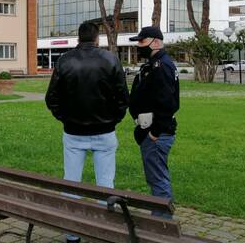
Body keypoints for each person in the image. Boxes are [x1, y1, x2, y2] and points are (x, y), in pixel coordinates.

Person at [45, 21, 129, 243]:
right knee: (105, 183)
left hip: (73, 133)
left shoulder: (65, 60)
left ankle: (72, 234)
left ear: (78, 38)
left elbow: (51, 98)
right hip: (104, 131)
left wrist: (65, 118)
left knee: (71, 181)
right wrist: (113, 120)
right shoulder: (110, 59)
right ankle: (104, 229)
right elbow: (123, 98)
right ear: (97, 38)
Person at [129, 26, 179, 218]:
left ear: (156, 42)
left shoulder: (161, 66)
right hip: (149, 131)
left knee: (158, 180)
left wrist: (154, 133)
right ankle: (160, 220)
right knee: (156, 178)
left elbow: (168, 103)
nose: (139, 46)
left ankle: (162, 226)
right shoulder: (152, 65)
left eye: (142, 42)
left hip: (157, 133)